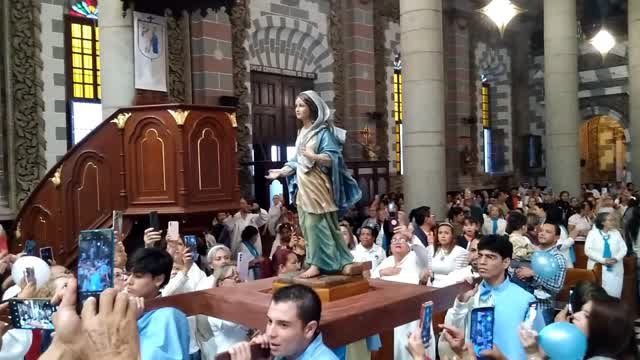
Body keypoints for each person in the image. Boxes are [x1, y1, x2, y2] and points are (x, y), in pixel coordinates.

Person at [266, 90, 361, 278]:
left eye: (301, 105)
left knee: (317, 224)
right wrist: (280, 172)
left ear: (312, 108)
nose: (297, 109)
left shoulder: (322, 132)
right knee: (306, 224)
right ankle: (320, 260)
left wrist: (314, 156)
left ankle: (320, 263)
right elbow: (296, 161)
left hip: (318, 185)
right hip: (304, 185)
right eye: (296, 106)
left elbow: (333, 158)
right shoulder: (302, 132)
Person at [437, 235, 544, 360]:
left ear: (506, 262)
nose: (482, 261)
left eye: (490, 257)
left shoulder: (526, 300)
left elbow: (539, 348)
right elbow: (451, 333)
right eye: (480, 255)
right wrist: (461, 303)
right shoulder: (469, 293)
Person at [228, 284, 338, 360]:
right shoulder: (283, 353)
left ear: (309, 329)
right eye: (270, 321)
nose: (271, 333)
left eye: (284, 325)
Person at [371, 232, 431, 360]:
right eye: (394, 240)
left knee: (408, 348)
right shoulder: (386, 261)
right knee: (392, 348)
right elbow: (371, 280)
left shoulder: (415, 258)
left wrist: (411, 236)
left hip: (411, 312)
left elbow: (424, 255)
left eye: (402, 239)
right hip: (388, 312)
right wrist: (382, 273)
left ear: (409, 245)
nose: (397, 241)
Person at [125, 247, 191, 360]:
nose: (129, 281)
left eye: (138, 276)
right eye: (128, 275)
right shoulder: (125, 309)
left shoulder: (169, 316)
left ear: (158, 279)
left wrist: (130, 323)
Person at [515, 223, 567, 324]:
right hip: (523, 304)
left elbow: (557, 286)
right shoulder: (531, 252)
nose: (542, 234)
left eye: (548, 232)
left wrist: (534, 274)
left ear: (557, 237)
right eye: (541, 231)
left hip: (542, 308)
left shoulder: (558, 258)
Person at [585, 212, 627, 298]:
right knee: (597, 295)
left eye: (614, 220)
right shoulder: (593, 233)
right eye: (610, 220)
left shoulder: (616, 233)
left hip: (615, 267)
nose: (613, 222)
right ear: (602, 222)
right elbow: (588, 250)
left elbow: (624, 248)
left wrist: (616, 258)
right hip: (598, 267)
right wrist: (603, 260)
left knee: (614, 294)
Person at [427, 222, 468, 288]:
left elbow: (460, 275)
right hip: (433, 287)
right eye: (440, 233)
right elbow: (430, 273)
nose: (443, 236)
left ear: (452, 235)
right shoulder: (431, 249)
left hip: (451, 288)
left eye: (446, 233)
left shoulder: (460, 252)